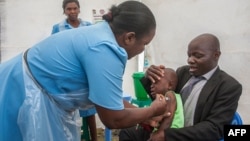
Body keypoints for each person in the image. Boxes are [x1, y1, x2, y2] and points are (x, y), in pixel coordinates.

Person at [0, 1, 168, 141]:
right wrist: (152, 110)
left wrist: (145, 115)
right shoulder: (105, 50)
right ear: (129, 37)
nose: (142, 49)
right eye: (144, 43)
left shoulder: (102, 34)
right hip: (22, 91)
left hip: (30, 86)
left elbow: (109, 100)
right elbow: (113, 118)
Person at [145, 33, 242, 141]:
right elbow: (164, 98)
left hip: (189, 137)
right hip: (167, 128)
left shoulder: (228, 86)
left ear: (216, 55)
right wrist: (151, 76)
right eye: (189, 55)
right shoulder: (183, 73)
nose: (190, 60)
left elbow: (214, 128)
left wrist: (167, 136)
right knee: (128, 131)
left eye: (198, 56)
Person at [51, 0, 97, 140]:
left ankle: (94, 138)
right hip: (66, 73)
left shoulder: (88, 26)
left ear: (79, 9)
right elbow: (53, 49)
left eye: (74, 8)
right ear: (64, 10)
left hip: (84, 72)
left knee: (89, 108)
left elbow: (93, 47)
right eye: (69, 9)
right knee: (66, 108)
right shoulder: (58, 28)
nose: (72, 11)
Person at [119, 68, 184, 141]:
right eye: (151, 83)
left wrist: (159, 133)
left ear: (170, 85)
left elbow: (169, 117)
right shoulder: (161, 100)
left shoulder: (170, 95)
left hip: (168, 136)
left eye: (155, 82)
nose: (151, 86)